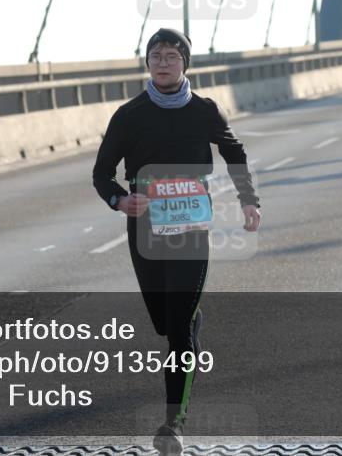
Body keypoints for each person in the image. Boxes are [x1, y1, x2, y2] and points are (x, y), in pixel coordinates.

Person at [92, 28, 261, 456]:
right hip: (146, 226)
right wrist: (118, 199)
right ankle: (188, 323)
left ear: (185, 63)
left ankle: (173, 424)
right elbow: (101, 172)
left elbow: (234, 152)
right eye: (155, 55)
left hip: (191, 225)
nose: (163, 62)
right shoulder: (129, 115)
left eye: (171, 55)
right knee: (165, 322)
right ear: (147, 63)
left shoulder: (205, 110)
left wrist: (248, 201)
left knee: (179, 332)